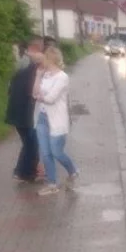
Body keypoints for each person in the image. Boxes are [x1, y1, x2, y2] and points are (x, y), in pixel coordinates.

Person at [34, 46, 78, 196]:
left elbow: (51, 98)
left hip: (57, 120)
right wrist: (38, 76)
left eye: (44, 58)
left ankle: (73, 170)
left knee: (56, 152)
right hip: (42, 118)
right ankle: (52, 184)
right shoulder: (45, 75)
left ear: (50, 59)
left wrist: (41, 96)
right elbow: (35, 93)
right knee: (46, 153)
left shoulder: (62, 77)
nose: (42, 61)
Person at [6, 37, 42, 183]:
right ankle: (24, 173)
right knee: (31, 144)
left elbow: (10, 88)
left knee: (29, 143)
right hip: (25, 113)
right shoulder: (31, 66)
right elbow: (33, 92)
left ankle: (26, 172)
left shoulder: (21, 63)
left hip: (17, 111)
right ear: (36, 49)